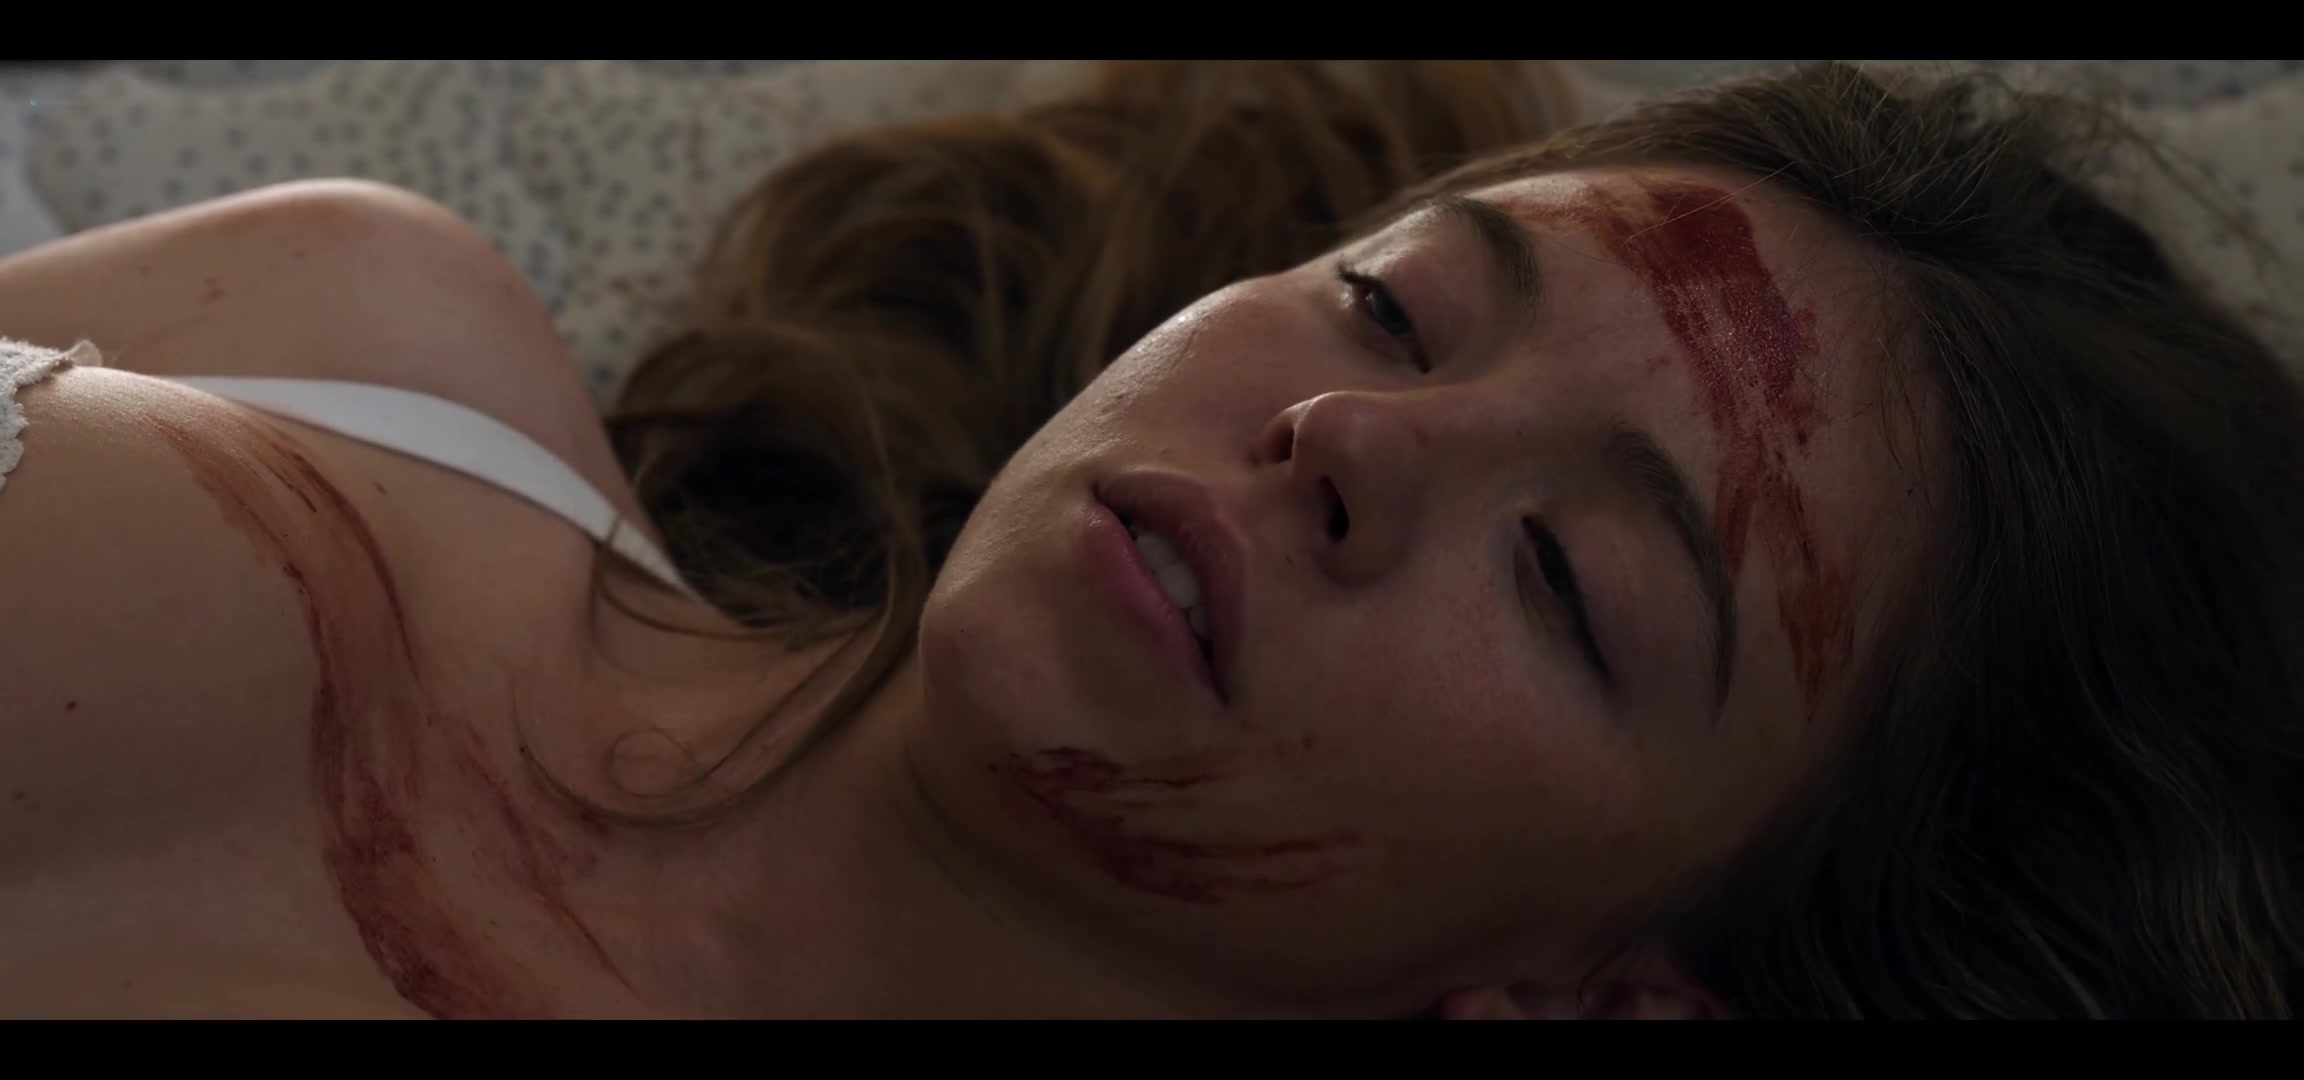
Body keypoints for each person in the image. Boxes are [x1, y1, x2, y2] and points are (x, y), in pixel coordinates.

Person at [0, 60, 2297, 1020]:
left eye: (1567, 578)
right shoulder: (363, 324)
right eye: (1394, 308)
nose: (1342, 433)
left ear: (1599, 997)